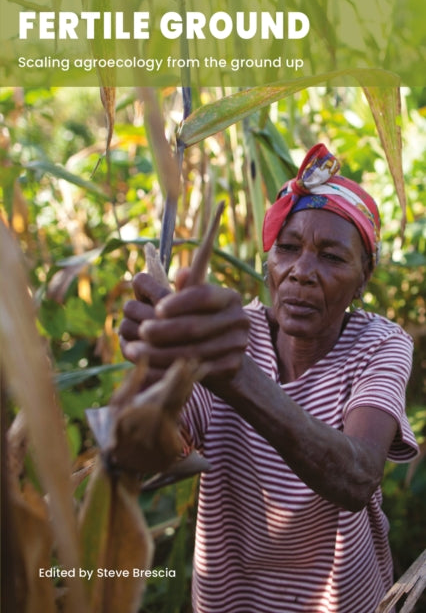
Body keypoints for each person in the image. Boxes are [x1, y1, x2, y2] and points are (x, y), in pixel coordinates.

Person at [119, 143, 419, 613]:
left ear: (364, 278)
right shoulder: (229, 333)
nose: (302, 272)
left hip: (345, 600)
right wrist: (150, 378)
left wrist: (234, 375)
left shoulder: (379, 345)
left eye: (332, 257)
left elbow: (357, 476)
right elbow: (146, 454)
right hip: (229, 600)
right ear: (268, 263)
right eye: (288, 248)